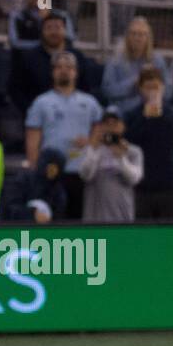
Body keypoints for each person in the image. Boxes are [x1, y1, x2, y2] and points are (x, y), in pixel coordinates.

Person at [24, 50, 104, 219]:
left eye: (69, 67)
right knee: (53, 219)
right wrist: (34, 168)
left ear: (75, 72)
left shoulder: (89, 102)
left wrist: (91, 143)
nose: (64, 70)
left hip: (81, 171)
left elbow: (101, 126)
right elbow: (32, 138)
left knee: (78, 219)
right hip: (51, 171)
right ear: (53, 72)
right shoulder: (42, 102)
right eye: (59, 67)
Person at [124, 67, 173, 219]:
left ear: (163, 88)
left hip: (170, 186)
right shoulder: (132, 116)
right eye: (148, 87)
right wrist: (145, 119)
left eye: (156, 87)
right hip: (141, 187)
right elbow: (128, 145)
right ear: (140, 89)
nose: (152, 92)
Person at [78, 105, 143, 222]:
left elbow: (134, 179)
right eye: (107, 123)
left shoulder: (133, 152)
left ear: (122, 126)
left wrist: (121, 158)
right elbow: (85, 175)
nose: (110, 127)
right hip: (94, 218)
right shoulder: (91, 150)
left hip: (122, 218)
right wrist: (94, 148)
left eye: (115, 123)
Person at [101, 16, 173, 114]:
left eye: (141, 34)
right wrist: (135, 82)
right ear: (127, 36)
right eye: (133, 34)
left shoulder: (157, 60)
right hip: (124, 111)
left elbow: (169, 92)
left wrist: (153, 85)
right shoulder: (115, 60)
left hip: (152, 110)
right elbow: (107, 91)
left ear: (148, 37)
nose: (137, 38)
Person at [8, 0, 77, 50]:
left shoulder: (61, 16)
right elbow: (15, 42)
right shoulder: (18, 16)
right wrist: (43, 46)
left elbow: (69, 40)